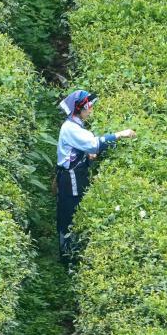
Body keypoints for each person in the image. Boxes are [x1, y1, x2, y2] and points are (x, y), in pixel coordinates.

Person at [56, 89, 136, 259]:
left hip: (73, 175)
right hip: (71, 179)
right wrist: (119, 135)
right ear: (81, 109)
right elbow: (94, 144)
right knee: (70, 214)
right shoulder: (71, 128)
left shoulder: (74, 125)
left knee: (72, 212)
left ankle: (70, 252)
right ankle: (68, 256)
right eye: (89, 107)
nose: (91, 110)